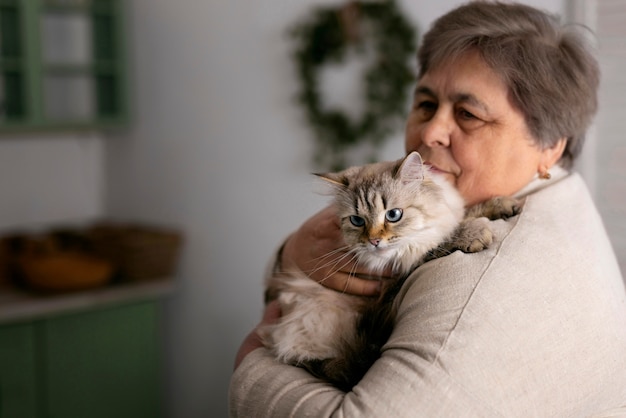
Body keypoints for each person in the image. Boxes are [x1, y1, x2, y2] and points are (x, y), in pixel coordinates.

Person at [229, 1, 626, 416]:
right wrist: (292, 253)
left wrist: (251, 361)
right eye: (425, 104)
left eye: (469, 114)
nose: (431, 131)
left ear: (549, 145)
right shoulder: (554, 195)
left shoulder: (476, 277)